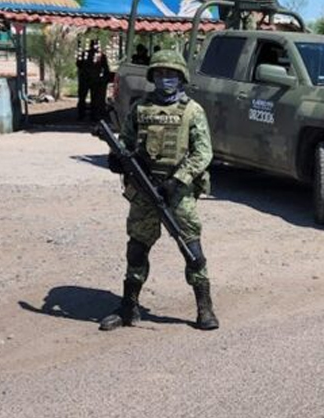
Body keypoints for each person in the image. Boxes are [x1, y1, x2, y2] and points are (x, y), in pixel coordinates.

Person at [100, 49, 218, 331]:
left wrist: (178, 181)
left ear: (181, 78)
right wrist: (118, 160)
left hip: (178, 192)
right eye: (161, 73)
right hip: (144, 188)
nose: (166, 78)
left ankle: (205, 308)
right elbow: (126, 143)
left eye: (172, 74)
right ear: (153, 77)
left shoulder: (192, 111)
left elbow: (203, 153)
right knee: (137, 249)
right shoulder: (140, 109)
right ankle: (128, 307)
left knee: (192, 250)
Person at [75, 40, 97, 121]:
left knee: (83, 98)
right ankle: (92, 115)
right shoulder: (99, 55)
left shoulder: (84, 54)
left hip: (85, 78)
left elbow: (78, 64)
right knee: (93, 99)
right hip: (92, 79)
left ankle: (82, 115)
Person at [89, 50, 111, 122]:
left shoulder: (102, 66)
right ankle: (95, 114)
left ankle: (97, 114)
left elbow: (106, 72)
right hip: (96, 82)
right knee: (96, 99)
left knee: (99, 99)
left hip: (99, 82)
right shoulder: (94, 63)